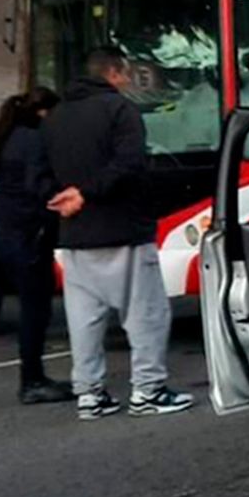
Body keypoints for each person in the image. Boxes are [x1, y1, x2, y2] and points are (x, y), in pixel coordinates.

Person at [43, 47, 193, 421]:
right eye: (125, 73)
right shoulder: (120, 110)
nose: (127, 81)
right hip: (122, 228)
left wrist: (69, 198)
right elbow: (129, 164)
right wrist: (89, 193)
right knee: (146, 314)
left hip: (74, 234)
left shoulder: (56, 115)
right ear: (113, 73)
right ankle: (148, 390)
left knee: (84, 320)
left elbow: (45, 169)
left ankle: (90, 395)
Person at [0, 87, 72, 405]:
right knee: (36, 312)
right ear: (42, 113)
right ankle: (32, 381)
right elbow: (39, 185)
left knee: (31, 309)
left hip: (9, 235)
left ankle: (33, 377)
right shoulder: (32, 141)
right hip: (28, 238)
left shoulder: (5, 138)